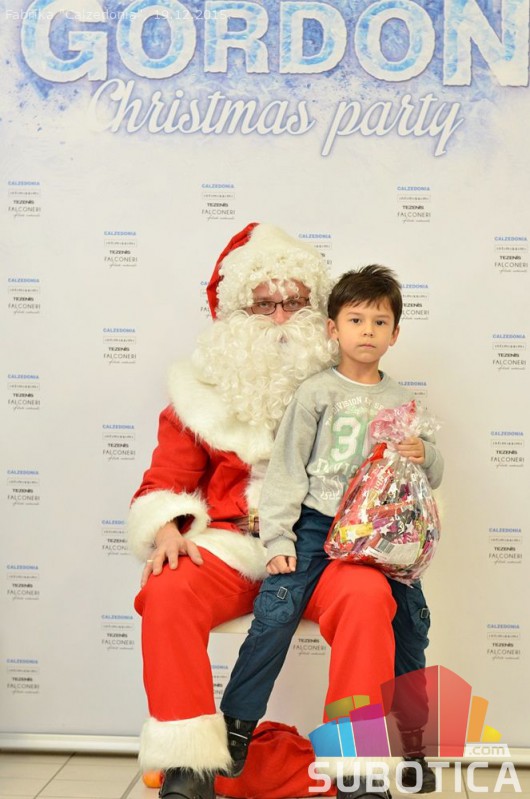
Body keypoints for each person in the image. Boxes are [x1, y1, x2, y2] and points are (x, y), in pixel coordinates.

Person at [128, 226, 437, 799]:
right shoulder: (199, 394)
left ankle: (358, 765)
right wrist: (166, 526)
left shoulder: (349, 388)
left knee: (368, 596)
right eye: (262, 303)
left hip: (327, 544)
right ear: (234, 313)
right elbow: (165, 479)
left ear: (320, 314)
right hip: (232, 544)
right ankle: (189, 765)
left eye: (293, 301)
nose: (278, 317)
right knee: (168, 591)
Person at [220, 265, 444, 793]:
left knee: (411, 628)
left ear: (395, 334)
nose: (367, 331)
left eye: (379, 322)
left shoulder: (403, 400)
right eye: (356, 319)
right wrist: (278, 538)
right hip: (317, 526)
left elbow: (428, 476)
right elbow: (286, 470)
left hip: (378, 533)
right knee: (275, 614)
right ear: (332, 328)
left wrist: (426, 453)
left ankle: (412, 746)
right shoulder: (316, 392)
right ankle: (236, 728)